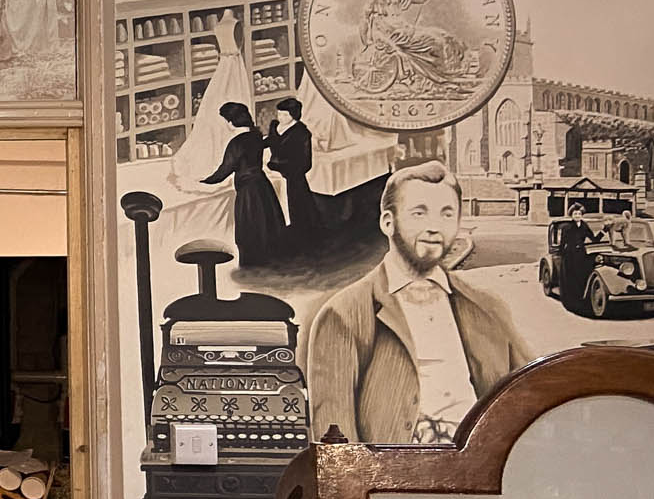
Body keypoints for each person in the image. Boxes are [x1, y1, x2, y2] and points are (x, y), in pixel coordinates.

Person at [307, 161, 532, 444]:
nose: (434, 227)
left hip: (480, 474)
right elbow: (335, 444)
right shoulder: (344, 314)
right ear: (388, 222)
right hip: (394, 478)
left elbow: (531, 399)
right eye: (419, 213)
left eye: (446, 214)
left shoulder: (488, 307)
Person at [200, 101, 288, 269]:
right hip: (262, 185)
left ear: (231, 122)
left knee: (251, 228)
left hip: (248, 191)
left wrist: (204, 181)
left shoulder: (237, 143)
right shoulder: (254, 136)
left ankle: (253, 264)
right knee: (267, 224)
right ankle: (272, 260)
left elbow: (224, 170)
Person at [268, 97, 319, 229]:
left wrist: (284, 168)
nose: (281, 117)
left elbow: (305, 162)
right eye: (279, 114)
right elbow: (270, 142)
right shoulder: (275, 126)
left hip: (293, 175)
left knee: (298, 208)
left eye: (285, 114)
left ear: (294, 115)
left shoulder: (302, 133)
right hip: (274, 170)